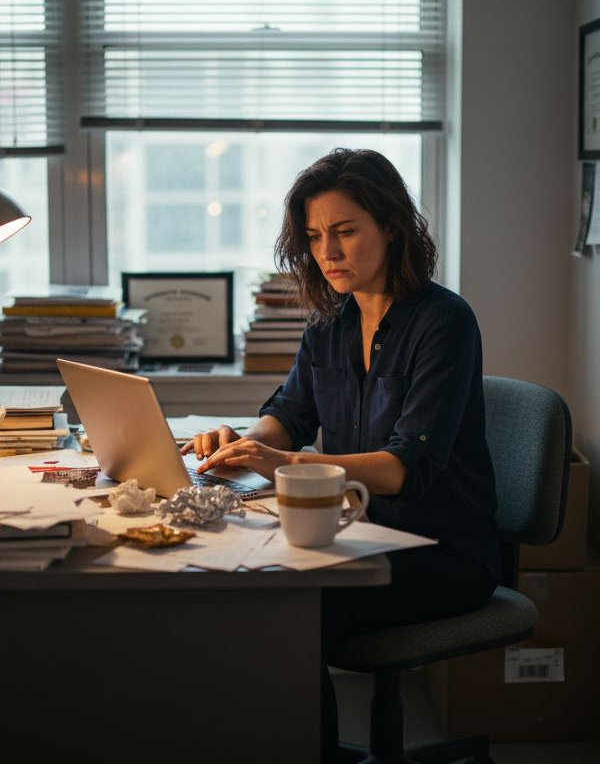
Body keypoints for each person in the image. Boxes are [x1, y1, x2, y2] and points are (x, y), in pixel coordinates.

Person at [181, 148, 500, 760]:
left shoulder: (445, 323)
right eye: (314, 236)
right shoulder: (328, 324)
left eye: (345, 232)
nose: (326, 252)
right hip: (352, 536)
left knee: (282, 622)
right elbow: (289, 416)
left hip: (442, 552)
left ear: (391, 227)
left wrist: (282, 467)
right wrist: (244, 442)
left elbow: (402, 467)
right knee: (240, 599)